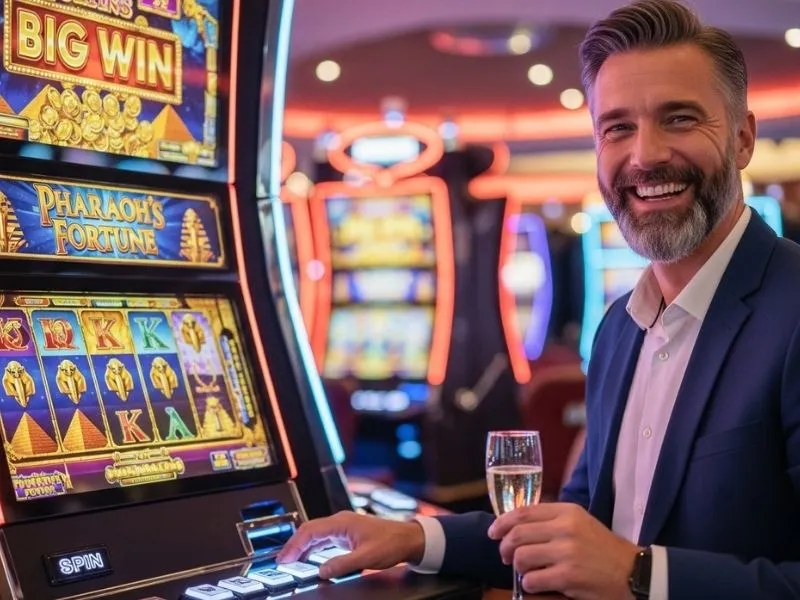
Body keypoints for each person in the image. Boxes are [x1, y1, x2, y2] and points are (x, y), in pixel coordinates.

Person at [278, 1, 800, 598]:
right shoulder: (619, 328)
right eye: (618, 127)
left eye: (679, 119)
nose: (645, 155)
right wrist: (418, 538)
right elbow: (576, 530)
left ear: (743, 138)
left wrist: (638, 576)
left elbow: (619, 562)